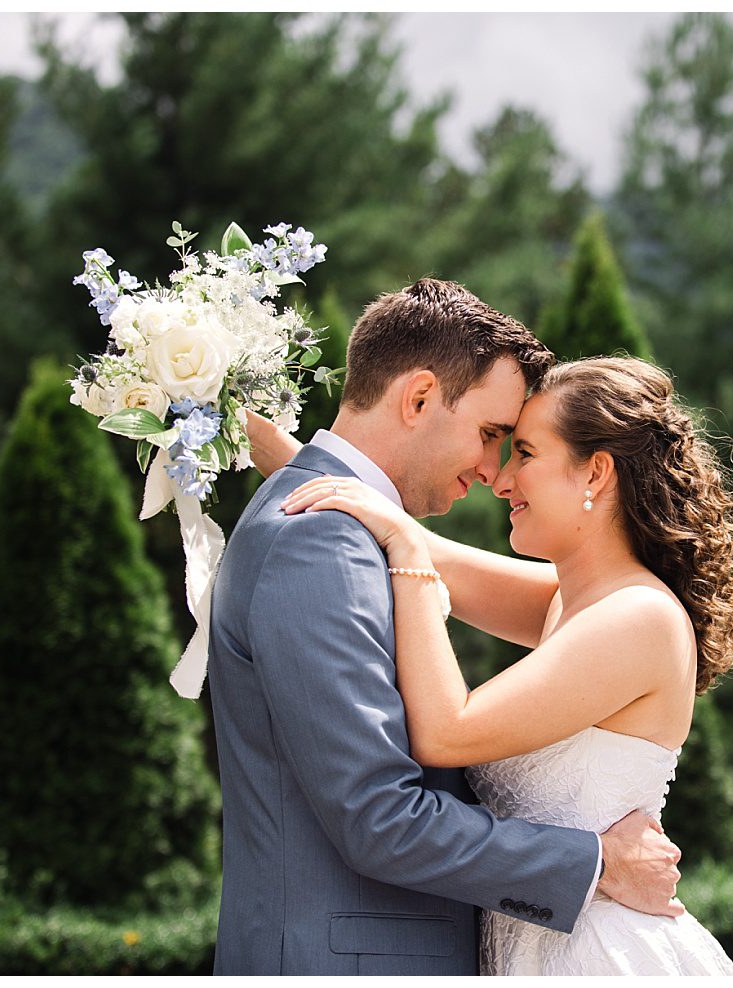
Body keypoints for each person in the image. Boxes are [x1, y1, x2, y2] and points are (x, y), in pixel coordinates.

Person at [208, 279, 685, 975]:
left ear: (598, 473)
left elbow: (447, 576)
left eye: (520, 451)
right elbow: (379, 815)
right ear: (420, 398)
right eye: (495, 437)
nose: (495, 474)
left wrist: (365, 509)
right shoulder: (319, 539)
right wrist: (597, 863)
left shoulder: (618, 610)